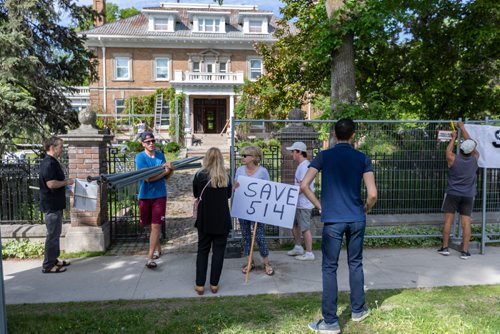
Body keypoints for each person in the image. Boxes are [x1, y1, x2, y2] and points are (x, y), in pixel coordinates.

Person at [300, 119, 377, 333]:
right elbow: (372, 194)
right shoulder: (362, 158)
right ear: (353, 135)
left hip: (333, 220)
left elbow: (304, 185)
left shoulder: (324, 156)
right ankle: (358, 309)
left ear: (334, 133)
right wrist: (366, 209)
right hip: (356, 218)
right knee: (356, 263)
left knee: (329, 268)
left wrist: (319, 205)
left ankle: (331, 322)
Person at [192, 147, 232, 295]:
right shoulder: (225, 177)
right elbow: (228, 195)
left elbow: (196, 194)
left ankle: (200, 284)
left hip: (205, 219)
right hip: (222, 219)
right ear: (221, 159)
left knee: (202, 251)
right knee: (218, 253)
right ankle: (214, 284)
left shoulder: (199, 175)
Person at [438, 121, 479, 260]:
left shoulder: (453, 159)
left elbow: (447, 151)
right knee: (466, 223)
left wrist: (453, 137)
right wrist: (463, 128)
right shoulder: (475, 158)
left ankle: (445, 248)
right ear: (471, 150)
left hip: (452, 193)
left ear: (460, 148)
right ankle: (465, 251)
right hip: (468, 195)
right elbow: (471, 143)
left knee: (448, 221)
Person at [136, 132, 174, 269]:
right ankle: (158, 249)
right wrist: (164, 171)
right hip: (145, 195)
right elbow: (148, 178)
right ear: (143, 144)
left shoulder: (160, 155)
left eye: (153, 141)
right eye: (148, 142)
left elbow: (166, 177)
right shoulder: (140, 157)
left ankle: (150, 258)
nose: (151, 143)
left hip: (159, 195)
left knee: (156, 226)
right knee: (149, 225)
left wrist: (171, 170)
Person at [234, 145, 274, 276]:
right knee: (246, 236)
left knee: (260, 236)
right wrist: (235, 187)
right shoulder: (240, 170)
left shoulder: (262, 171)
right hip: (243, 208)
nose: (242, 158)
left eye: (245, 156)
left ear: (253, 157)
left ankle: (266, 263)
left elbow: (269, 190)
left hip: (257, 210)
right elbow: (235, 187)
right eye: (242, 155)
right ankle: (249, 262)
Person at [39, 136, 74, 273]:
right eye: (61, 147)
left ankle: (54, 260)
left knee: (55, 233)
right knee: (52, 235)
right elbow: (51, 184)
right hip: (51, 205)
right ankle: (48, 265)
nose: (62, 150)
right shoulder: (49, 163)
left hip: (55, 204)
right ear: (52, 148)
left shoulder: (52, 162)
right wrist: (67, 182)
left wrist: (67, 191)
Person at [286, 141, 315, 261]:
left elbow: (304, 186)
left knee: (305, 228)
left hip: (304, 204)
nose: (292, 153)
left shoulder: (306, 166)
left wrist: (289, 195)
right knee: (294, 225)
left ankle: (309, 253)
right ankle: (298, 247)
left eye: (293, 151)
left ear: (299, 152)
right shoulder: (301, 166)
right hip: (297, 202)